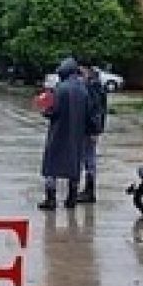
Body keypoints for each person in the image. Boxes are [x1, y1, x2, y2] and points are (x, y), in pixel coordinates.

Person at [38, 57, 90, 211]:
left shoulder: (60, 89)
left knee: (51, 166)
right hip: (76, 135)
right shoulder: (83, 90)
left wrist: (44, 109)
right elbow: (88, 114)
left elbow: (52, 111)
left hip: (58, 133)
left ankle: (50, 199)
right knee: (74, 167)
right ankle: (71, 198)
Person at [77, 60, 108, 204]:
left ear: (87, 69)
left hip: (90, 129)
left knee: (89, 159)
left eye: (81, 70)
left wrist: (95, 130)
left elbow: (96, 109)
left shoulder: (92, 85)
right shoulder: (94, 83)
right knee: (88, 158)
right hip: (91, 128)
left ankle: (89, 191)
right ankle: (88, 190)